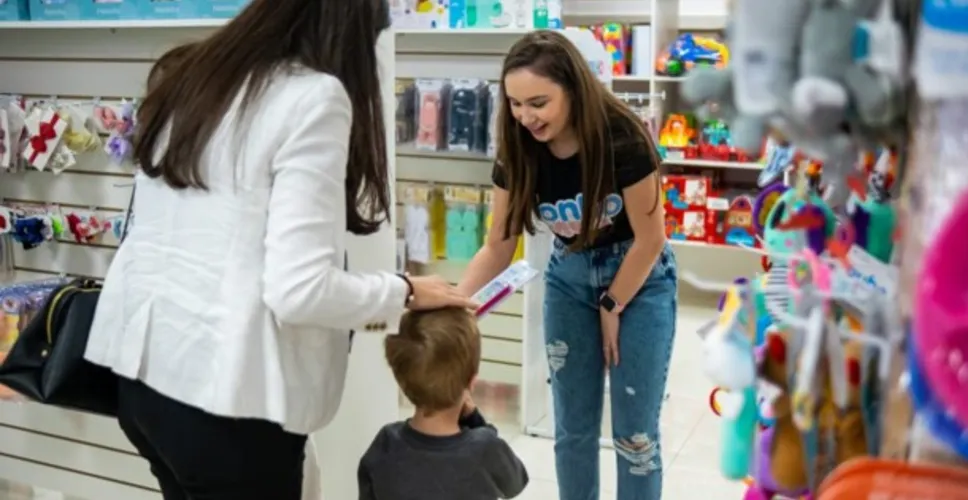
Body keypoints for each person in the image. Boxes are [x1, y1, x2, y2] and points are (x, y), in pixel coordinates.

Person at [83, 0, 474, 498]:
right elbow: (299, 291)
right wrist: (403, 292)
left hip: (145, 385)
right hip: (226, 409)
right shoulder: (312, 96)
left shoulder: (196, 74)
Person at [458, 31, 678, 500]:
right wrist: (456, 306)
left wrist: (613, 303)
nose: (525, 117)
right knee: (573, 431)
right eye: (515, 104)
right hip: (569, 279)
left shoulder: (623, 137)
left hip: (639, 279)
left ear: (574, 90)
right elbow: (498, 244)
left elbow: (651, 238)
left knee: (635, 436)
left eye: (538, 103)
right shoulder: (518, 147)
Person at [358, 307, 529, 500]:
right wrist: (474, 420)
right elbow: (517, 483)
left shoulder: (386, 443)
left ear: (401, 380)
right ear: (471, 382)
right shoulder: (486, 447)